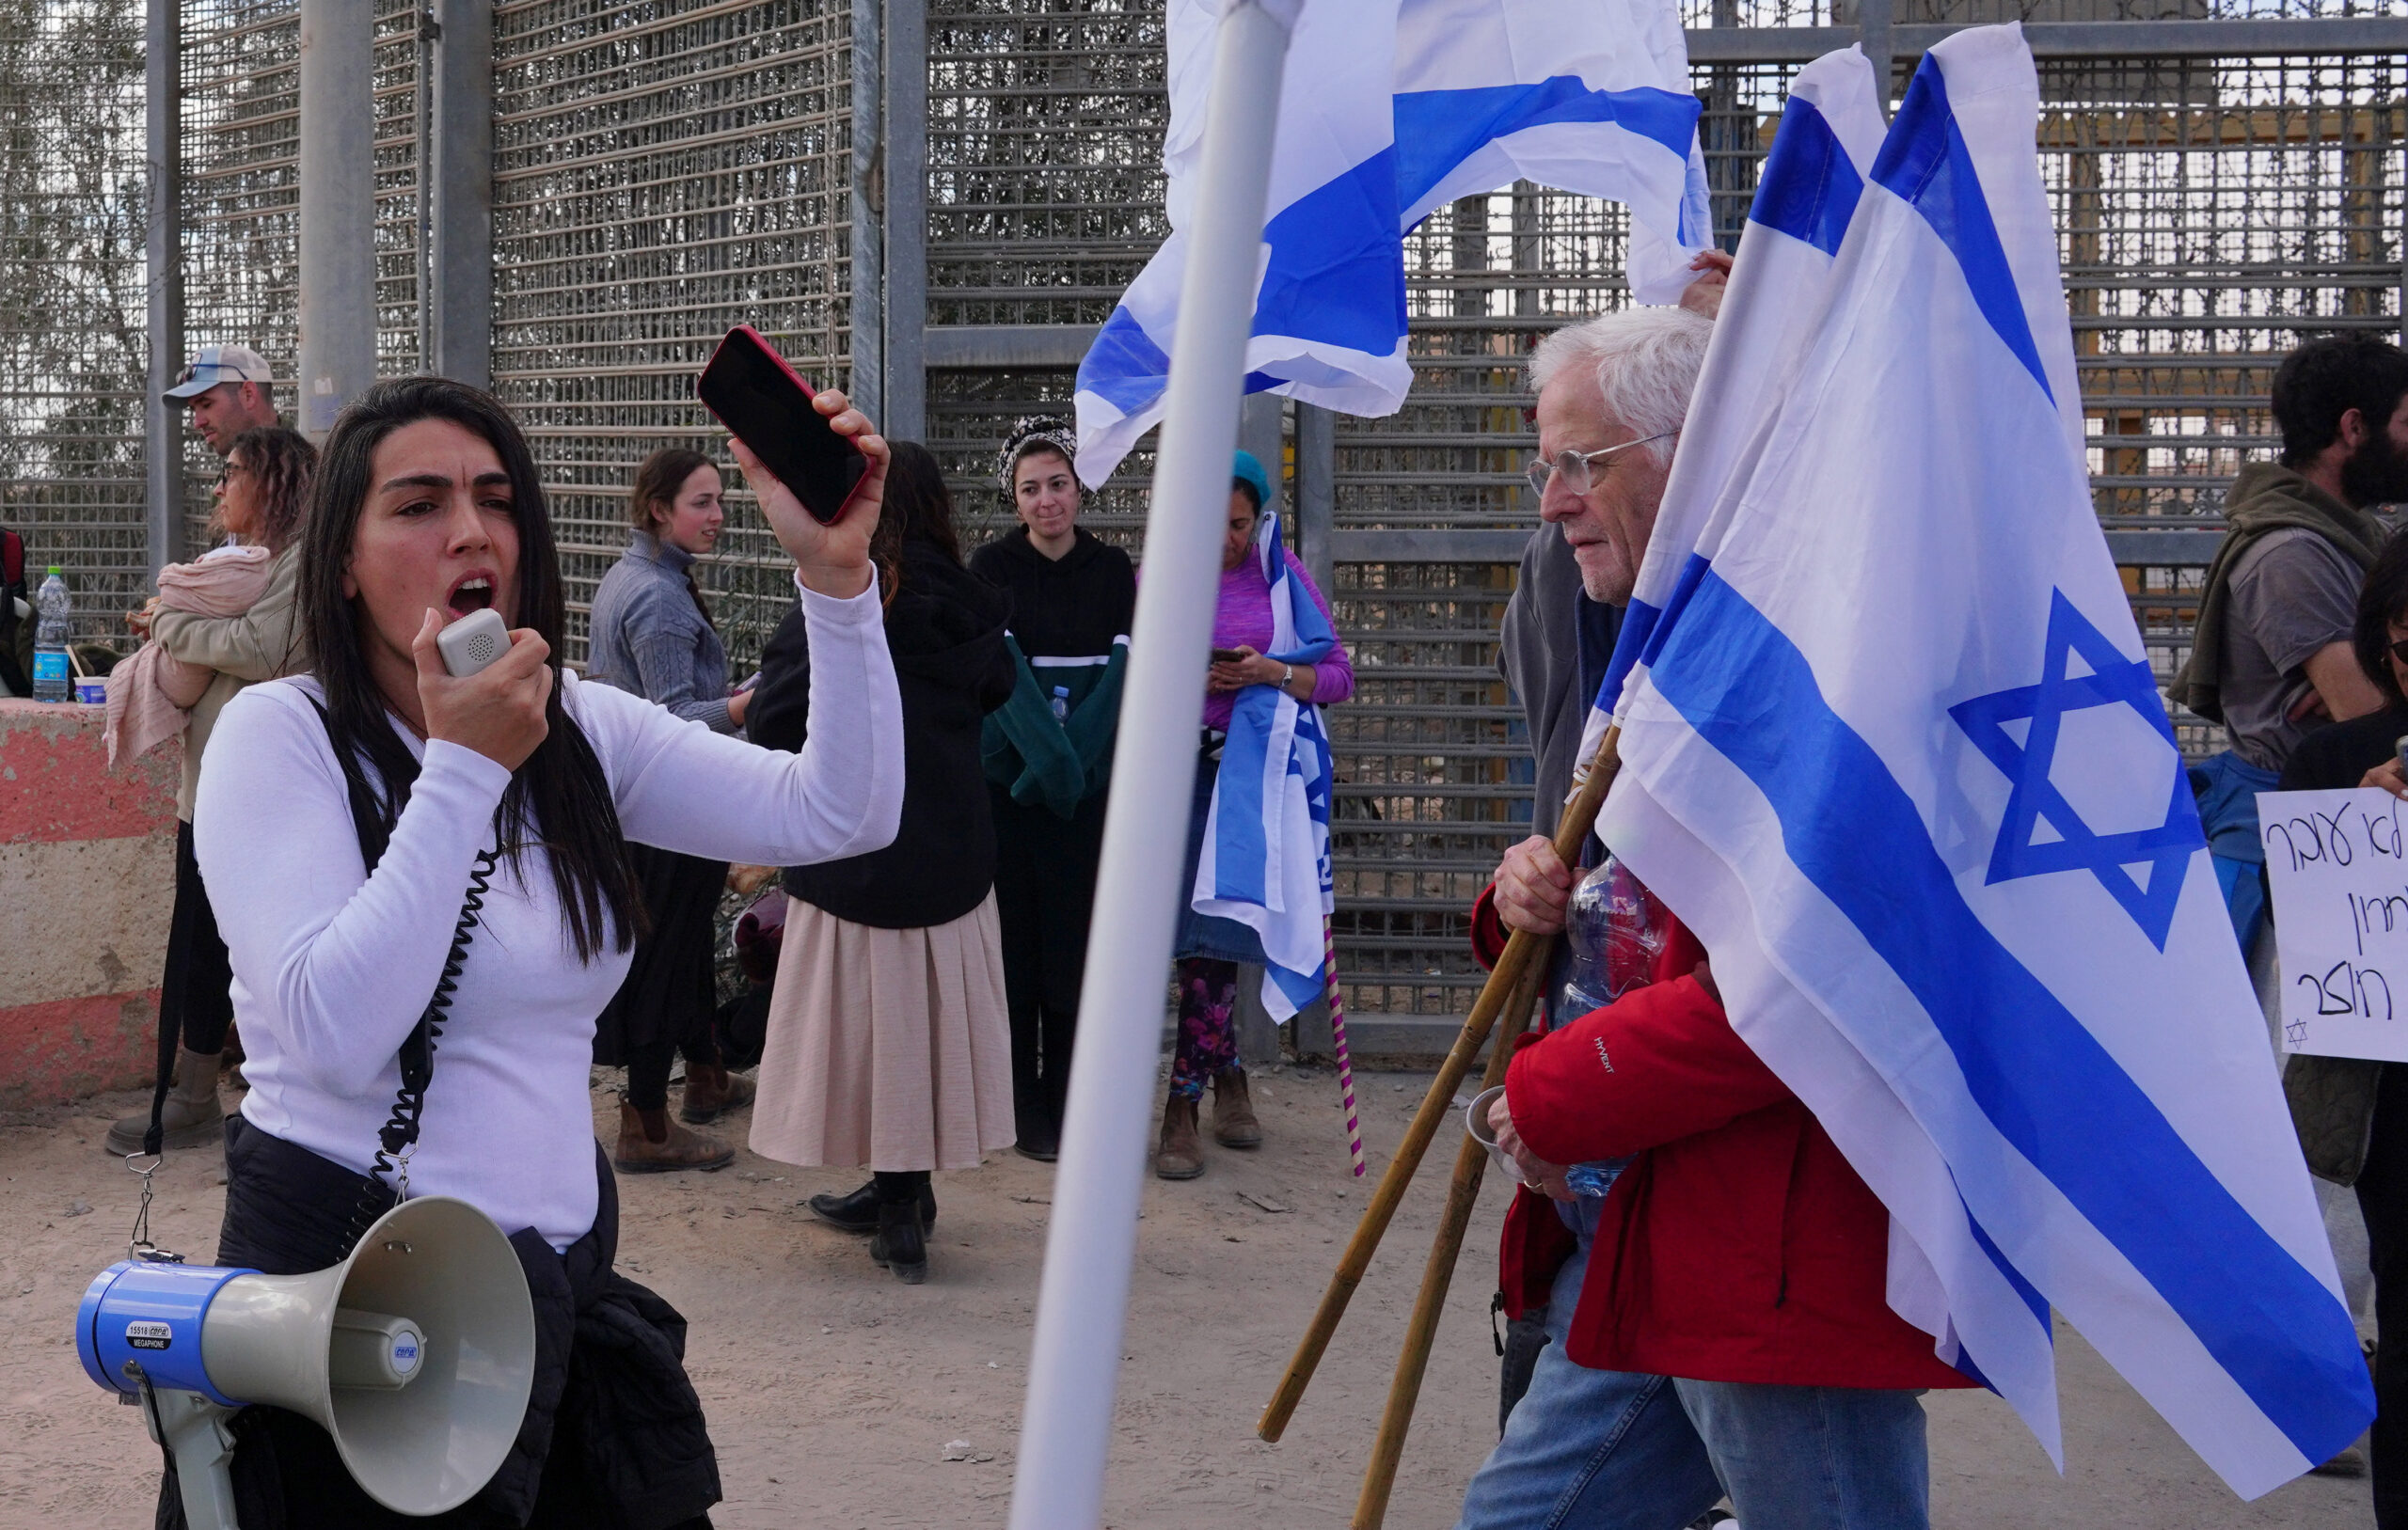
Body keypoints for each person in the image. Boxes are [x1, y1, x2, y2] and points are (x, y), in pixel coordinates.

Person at [173, 374, 903, 1525]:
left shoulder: (581, 725)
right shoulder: (283, 736)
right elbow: (333, 1029)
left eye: (495, 498)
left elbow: (838, 813)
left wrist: (838, 579)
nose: (470, 529)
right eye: (417, 506)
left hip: (553, 1302)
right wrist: (462, 768)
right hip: (356, 1313)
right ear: (345, 559)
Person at [1450, 307, 1972, 1530]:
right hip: (1648, 1226)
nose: (1551, 499)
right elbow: (1638, 909)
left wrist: (1552, 1091)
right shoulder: (1670, 641)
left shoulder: (1818, 661)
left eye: (1577, 461)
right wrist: (1531, 897)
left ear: (1685, 451)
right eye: (1546, 465)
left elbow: (1798, 978)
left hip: (1768, 1247)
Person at [746, 441, 1018, 1284]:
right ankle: (908, 1191)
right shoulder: (973, 601)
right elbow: (999, 688)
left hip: (858, 853)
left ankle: (899, 1208)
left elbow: (775, 713)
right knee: (923, 1029)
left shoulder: (843, 599)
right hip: (951, 855)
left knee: (875, 1034)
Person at [103, 425, 316, 1156]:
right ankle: (190, 1096)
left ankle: (268, 1112)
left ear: (274, 480)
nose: (219, 487)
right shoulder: (238, 567)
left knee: (263, 952)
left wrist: (170, 621)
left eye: (231, 472)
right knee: (195, 948)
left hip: (269, 796)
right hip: (211, 790)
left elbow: (261, 649)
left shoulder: (301, 562)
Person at [1155, 450, 1354, 1181]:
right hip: (1176, 773)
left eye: (1238, 524)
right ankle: (1229, 1071)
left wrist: (1267, 672)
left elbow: (1337, 677)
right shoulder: (1163, 578)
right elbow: (1133, 673)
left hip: (1253, 781)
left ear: (1258, 515)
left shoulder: (1281, 578)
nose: (1224, 541)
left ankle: (1182, 1105)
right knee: (1191, 939)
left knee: (1216, 938)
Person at [2174, 336, 2408, 954]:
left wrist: (2367, 673)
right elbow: (2373, 720)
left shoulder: (2357, 537)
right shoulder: (2292, 556)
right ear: (2355, 428)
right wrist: (2372, 684)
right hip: (2287, 842)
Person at [582, 448, 758, 1172]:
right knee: (665, 953)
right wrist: (748, 703)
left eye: (720, 501)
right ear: (659, 509)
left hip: (643, 805)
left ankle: (707, 1075)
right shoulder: (657, 597)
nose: (718, 516)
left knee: (679, 948)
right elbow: (672, 717)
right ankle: (646, 1122)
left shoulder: (638, 574)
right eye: (702, 503)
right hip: (665, 808)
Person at [969, 416, 1134, 1160]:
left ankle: (1072, 1100)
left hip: (1086, 797)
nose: (1047, 501)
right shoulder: (990, 570)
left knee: (1075, 945)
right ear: (1014, 498)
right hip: (1013, 792)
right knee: (1016, 949)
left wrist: (1072, 770)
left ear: (1079, 488)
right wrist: (1044, 769)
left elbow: (1119, 678)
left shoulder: (1113, 569)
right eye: (1031, 488)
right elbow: (1002, 687)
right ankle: (1020, 1105)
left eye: (1058, 484)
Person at [2291, 529, 2408, 1522]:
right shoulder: (2336, 760)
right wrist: (2365, 830)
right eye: (2407, 645)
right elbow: (2317, 934)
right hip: (2394, 1099)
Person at [166, 342, 281, 455]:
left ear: (248, 394)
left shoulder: (293, 470)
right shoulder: (243, 470)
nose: (198, 423)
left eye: (207, 405)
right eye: (193, 410)